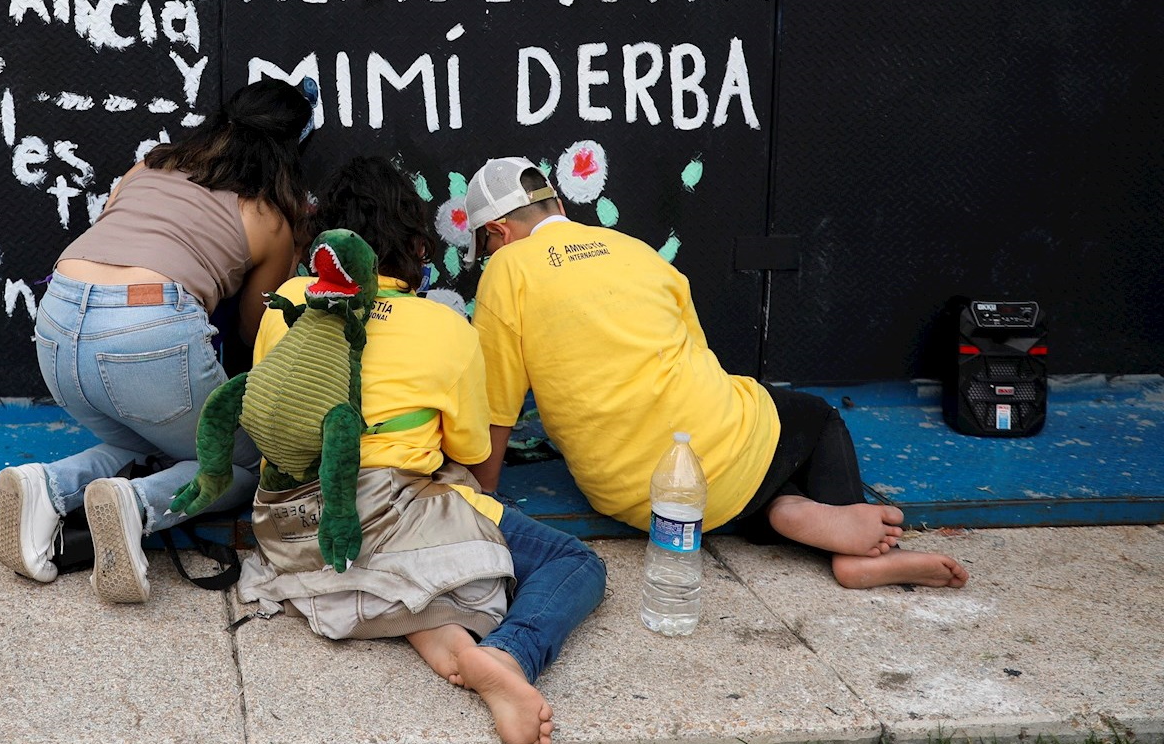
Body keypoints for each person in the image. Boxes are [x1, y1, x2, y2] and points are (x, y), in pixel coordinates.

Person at [464, 156, 969, 590]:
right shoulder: (637, 250)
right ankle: (844, 542)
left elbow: (496, 406)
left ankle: (785, 512)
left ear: (497, 232)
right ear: (561, 209)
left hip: (636, 498)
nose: (488, 257)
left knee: (755, 448)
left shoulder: (508, 270)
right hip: (709, 456)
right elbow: (700, 359)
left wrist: (480, 495)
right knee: (812, 416)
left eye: (485, 247)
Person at [242, 157, 603, 744]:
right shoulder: (446, 328)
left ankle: (441, 637)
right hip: (389, 511)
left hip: (287, 525)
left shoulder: (287, 300)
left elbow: (271, 409)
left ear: (323, 239)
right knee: (574, 563)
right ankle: (511, 654)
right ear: (416, 243)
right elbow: (467, 452)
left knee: (405, 563)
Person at [0, 79, 313, 603]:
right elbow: (257, 330)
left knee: (138, 439)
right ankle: (136, 505)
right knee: (245, 462)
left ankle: (46, 485)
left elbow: (115, 235)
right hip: (147, 330)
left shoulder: (150, 165)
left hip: (57, 318)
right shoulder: (270, 216)